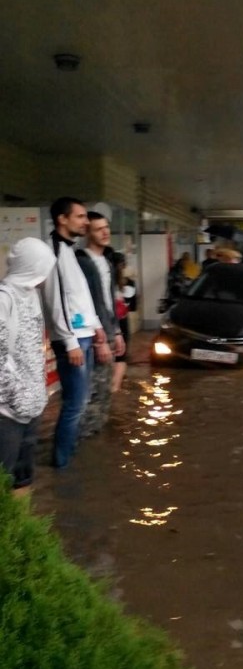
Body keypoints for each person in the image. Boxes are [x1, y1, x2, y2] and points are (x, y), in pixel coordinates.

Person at [41, 197, 109, 469]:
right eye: (80, 216)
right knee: (75, 404)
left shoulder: (69, 252)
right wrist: (71, 343)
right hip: (72, 340)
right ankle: (61, 464)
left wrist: (96, 327)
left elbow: (80, 297)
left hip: (84, 335)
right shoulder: (53, 253)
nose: (85, 221)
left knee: (80, 402)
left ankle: (69, 455)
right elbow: (55, 303)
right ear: (62, 219)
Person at [0, 238, 56, 494]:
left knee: (23, 479)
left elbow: (34, 350)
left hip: (32, 407)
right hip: (7, 413)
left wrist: (37, 396)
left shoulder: (32, 295)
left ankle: (24, 531)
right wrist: (18, 398)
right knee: (4, 479)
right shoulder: (4, 300)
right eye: (43, 267)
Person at [75, 212, 125, 434]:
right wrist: (99, 340)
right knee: (93, 390)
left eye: (107, 228)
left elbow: (109, 301)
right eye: (98, 229)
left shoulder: (106, 262)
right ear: (87, 233)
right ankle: (85, 437)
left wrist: (117, 332)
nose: (105, 232)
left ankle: (96, 436)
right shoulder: (82, 262)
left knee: (105, 389)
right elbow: (86, 304)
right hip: (93, 336)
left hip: (108, 332)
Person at [110, 251, 136, 392]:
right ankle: (115, 387)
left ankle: (109, 386)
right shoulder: (129, 284)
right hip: (122, 322)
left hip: (106, 323)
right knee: (121, 356)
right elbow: (133, 306)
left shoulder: (104, 281)